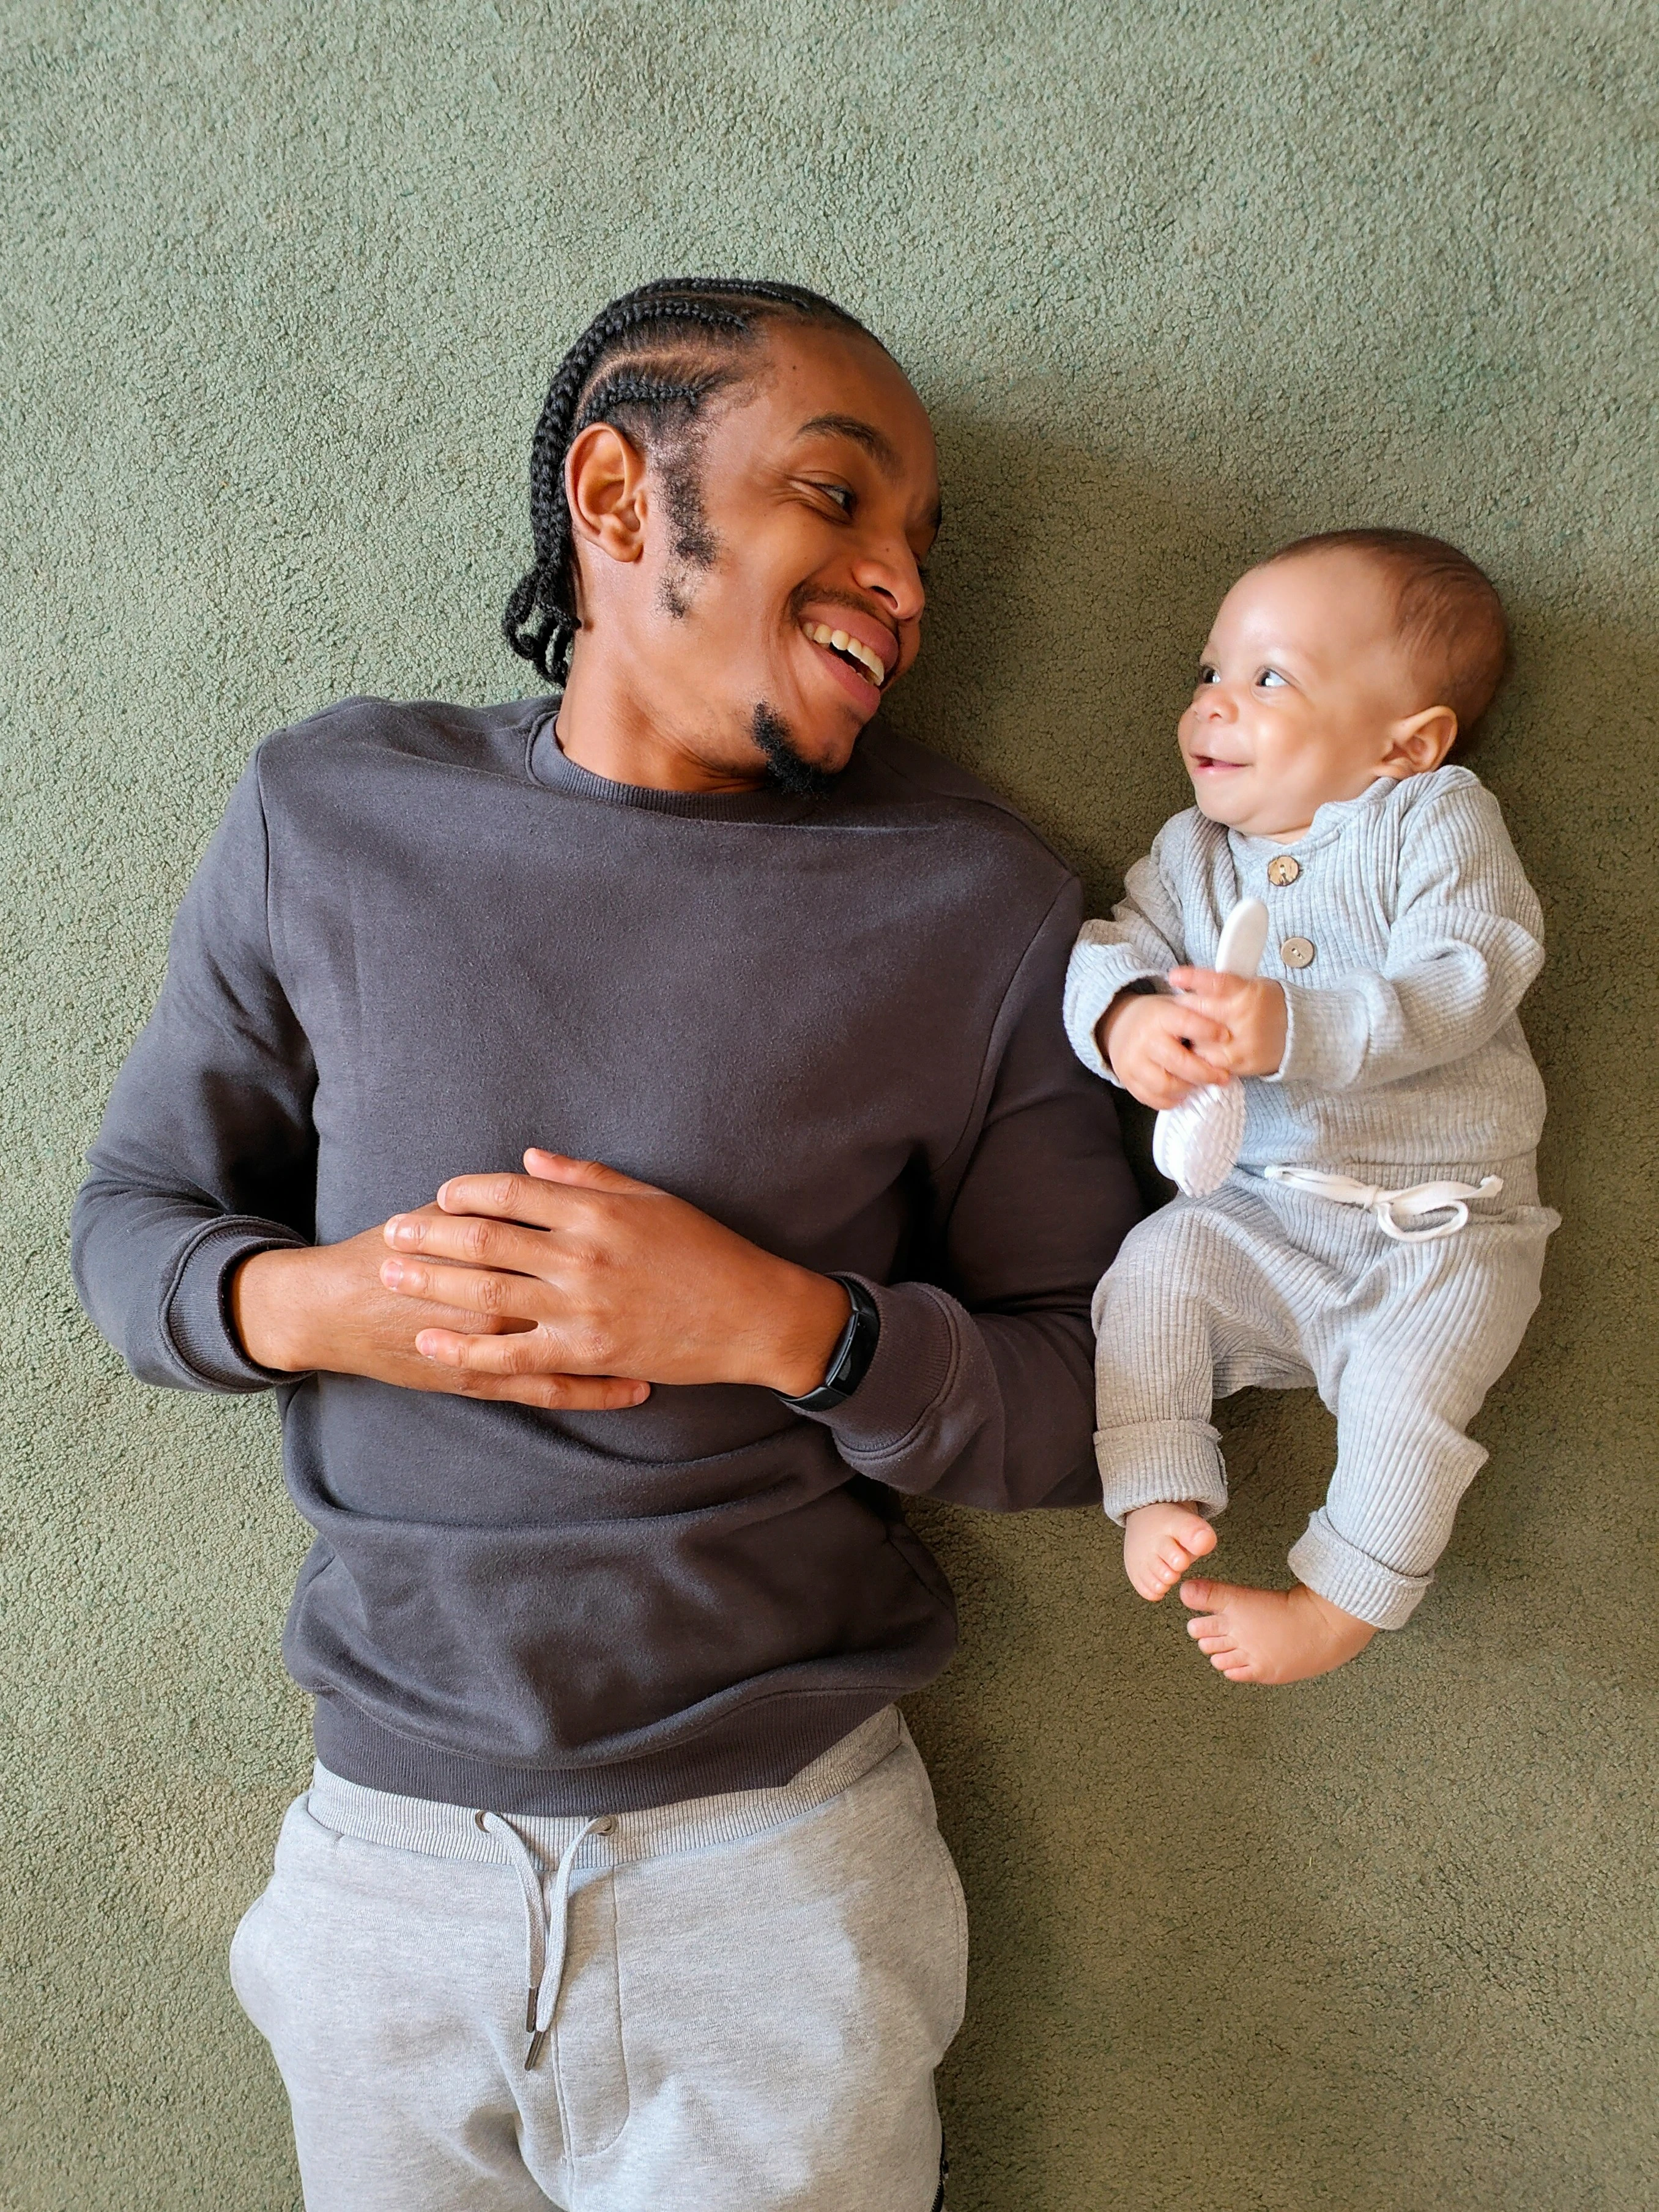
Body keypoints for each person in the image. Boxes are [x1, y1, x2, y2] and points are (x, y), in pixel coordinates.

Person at [71, 277, 1138, 2212]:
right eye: (840, 501)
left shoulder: (983, 910)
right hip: (381, 1868)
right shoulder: (331, 812)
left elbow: (1098, 1408)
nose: (900, 583)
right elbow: (131, 1223)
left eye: (923, 549)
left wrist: (789, 1327)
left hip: (776, 1875)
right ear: (620, 495)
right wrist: (334, 1304)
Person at [1064, 529, 1557, 1685]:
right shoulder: (1195, 857)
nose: (1212, 708)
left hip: (1446, 1231)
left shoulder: (1430, 819)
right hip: (1262, 1217)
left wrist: (1296, 1027)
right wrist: (1129, 1020)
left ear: (1407, 743)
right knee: (1151, 1275)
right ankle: (1157, 1483)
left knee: (1409, 1404)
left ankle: (1340, 1600)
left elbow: (1474, 970)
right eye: (1208, 674)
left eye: (1267, 678)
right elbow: (1108, 950)